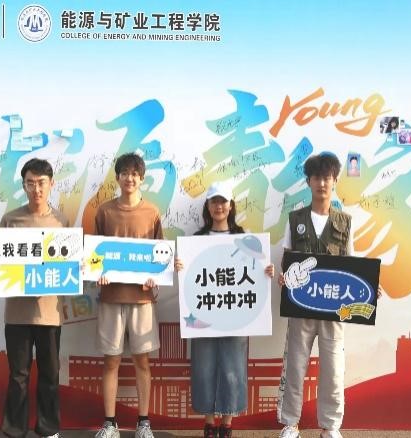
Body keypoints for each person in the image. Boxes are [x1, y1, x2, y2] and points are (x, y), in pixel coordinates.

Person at [174, 182, 274, 438]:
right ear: (208, 206)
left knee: (233, 368)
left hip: (236, 315)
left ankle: (227, 423)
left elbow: (255, 272)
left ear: (231, 206)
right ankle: (209, 423)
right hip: (204, 314)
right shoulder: (196, 241)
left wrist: (266, 271)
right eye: (214, 201)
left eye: (223, 201)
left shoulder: (244, 238)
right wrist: (180, 267)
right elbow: (190, 278)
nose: (219, 206)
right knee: (203, 367)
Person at [276, 154, 353, 438]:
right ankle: (290, 424)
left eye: (327, 177)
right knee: (295, 366)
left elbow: (352, 265)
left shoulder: (345, 222)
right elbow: (287, 258)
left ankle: (330, 427)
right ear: (309, 182)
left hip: (334, 310)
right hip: (301, 308)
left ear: (335, 181)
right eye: (317, 178)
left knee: (333, 369)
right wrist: (284, 278)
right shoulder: (295, 219)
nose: (322, 183)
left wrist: (369, 288)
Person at [93, 152, 163, 438]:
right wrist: (98, 271)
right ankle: (110, 424)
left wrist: (155, 276)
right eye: (124, 173)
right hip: (110, 297)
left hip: (141, 300)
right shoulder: (104, 211)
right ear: (117, 177)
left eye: (135, 174)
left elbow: (160, 256)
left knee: (142, 361)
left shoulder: (152, 212)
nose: (129, 178)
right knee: (111, 361)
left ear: (141, 178)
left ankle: (143, 423)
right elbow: (94, 254)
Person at [0, 158, 68, 438]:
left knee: (50, 374)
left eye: (41, 183)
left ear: (51, 184)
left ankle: (48, 429)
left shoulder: (62, 222)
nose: (36, 189)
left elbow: (68, 264)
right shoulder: (11, 220)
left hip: (50, 313)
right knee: (18, 375)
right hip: (17, 313)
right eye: (30, 183)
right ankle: (15, 430)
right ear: (23, 185)